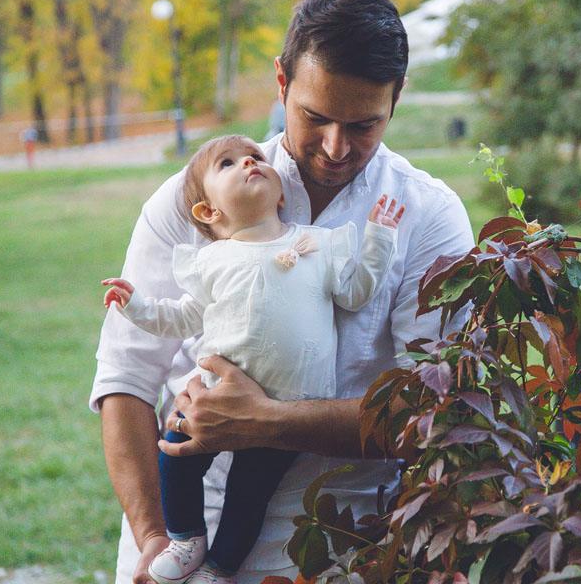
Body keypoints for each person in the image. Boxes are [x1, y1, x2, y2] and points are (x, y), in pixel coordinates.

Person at [91, 0, 474, 584]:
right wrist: (151, 537)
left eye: (364, 124)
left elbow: (431, 410)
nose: (336, 147)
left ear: (396, 98)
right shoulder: (194, 196)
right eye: (315, 118)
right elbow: (126, 378)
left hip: (346, 544)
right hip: (184, 532)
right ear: (281, 82)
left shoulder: (428, 216)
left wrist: (268, 420)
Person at [101, 134, 403, 584]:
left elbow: (357, 292)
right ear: (208, 212)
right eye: (227, 163)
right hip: (213, 401)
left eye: (255, 157)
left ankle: (219, 569)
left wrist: (380, 237)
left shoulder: (316, 245)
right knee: (175, 456)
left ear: (281, 195)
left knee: (250, 493)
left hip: (290, 406)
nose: (247, 162)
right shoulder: (210, 261)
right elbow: (181, 317)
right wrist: (136, 306)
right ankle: (186, 538)